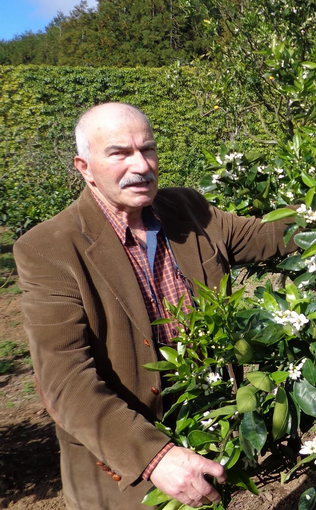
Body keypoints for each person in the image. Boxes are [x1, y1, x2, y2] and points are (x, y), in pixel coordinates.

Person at [13, 103, 299, 509]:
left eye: (147, 149)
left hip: (207, 439)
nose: (141, 165)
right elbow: (65, 380)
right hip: (121, 469)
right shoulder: (49, 249)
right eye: (119, 153)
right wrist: (154, 455)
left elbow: (264, 236)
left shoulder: (185, 210)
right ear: (84, 166)